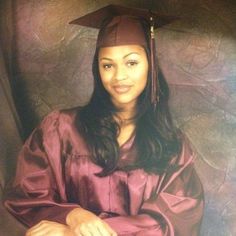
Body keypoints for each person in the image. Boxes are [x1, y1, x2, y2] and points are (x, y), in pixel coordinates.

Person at [4, 4, 204, 236]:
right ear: (97, 69)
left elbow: (174, 219)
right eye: (107, 65)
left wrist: (76, 233)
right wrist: (73, 215)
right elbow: (25, 193)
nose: (119, 76)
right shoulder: (59, 129)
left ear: (150, 65)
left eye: (131, 62)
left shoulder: (173, 145)